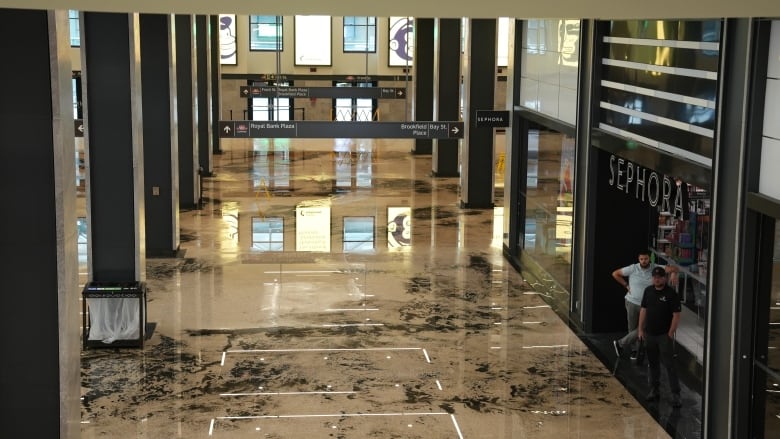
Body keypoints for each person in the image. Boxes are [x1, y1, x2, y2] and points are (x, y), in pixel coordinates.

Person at [612, 251, 678, 360]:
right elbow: (615, 273)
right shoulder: (633, 268)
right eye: (641, 259)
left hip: (648, 305)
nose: (644, 261)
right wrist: (626, 285)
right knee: (632, 327)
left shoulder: (655, 267)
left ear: (649, 259)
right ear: (639, 259)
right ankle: (634, 350)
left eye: (646, 259)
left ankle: (621, 343)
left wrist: (674, 274)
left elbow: (674, 268)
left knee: (643, 328)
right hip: (632, 302)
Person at [638, 266, 682, 408]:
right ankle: (654, 390)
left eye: (660, 277)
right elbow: (643, 310)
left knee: (669, 365)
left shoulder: (671, 294)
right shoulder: (648, 291)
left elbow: (676, 315)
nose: (657, 279)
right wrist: (640, 329)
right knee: (653, 364)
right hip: (650, 334)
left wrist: (670, 333)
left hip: (664, 335)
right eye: (655, 277)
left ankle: (676, 394)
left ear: (665, 278)